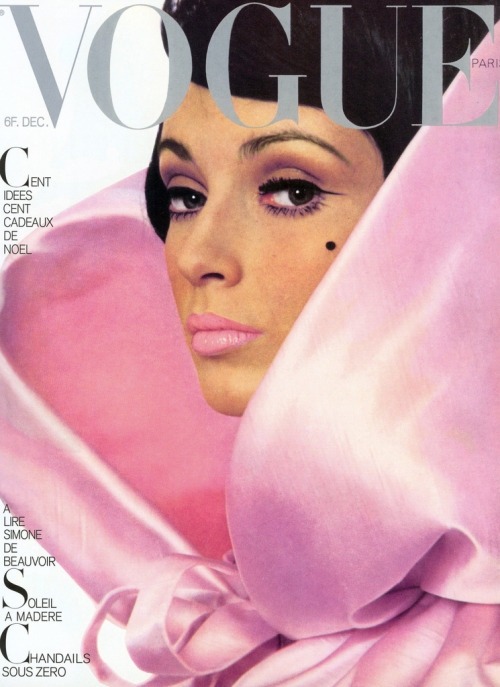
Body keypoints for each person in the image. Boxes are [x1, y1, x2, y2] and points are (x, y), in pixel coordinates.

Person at [0, 1, 498, 685]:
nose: (195, 254)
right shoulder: (243, 625)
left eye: (290, 190)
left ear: (455, 221)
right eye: (185, 195)